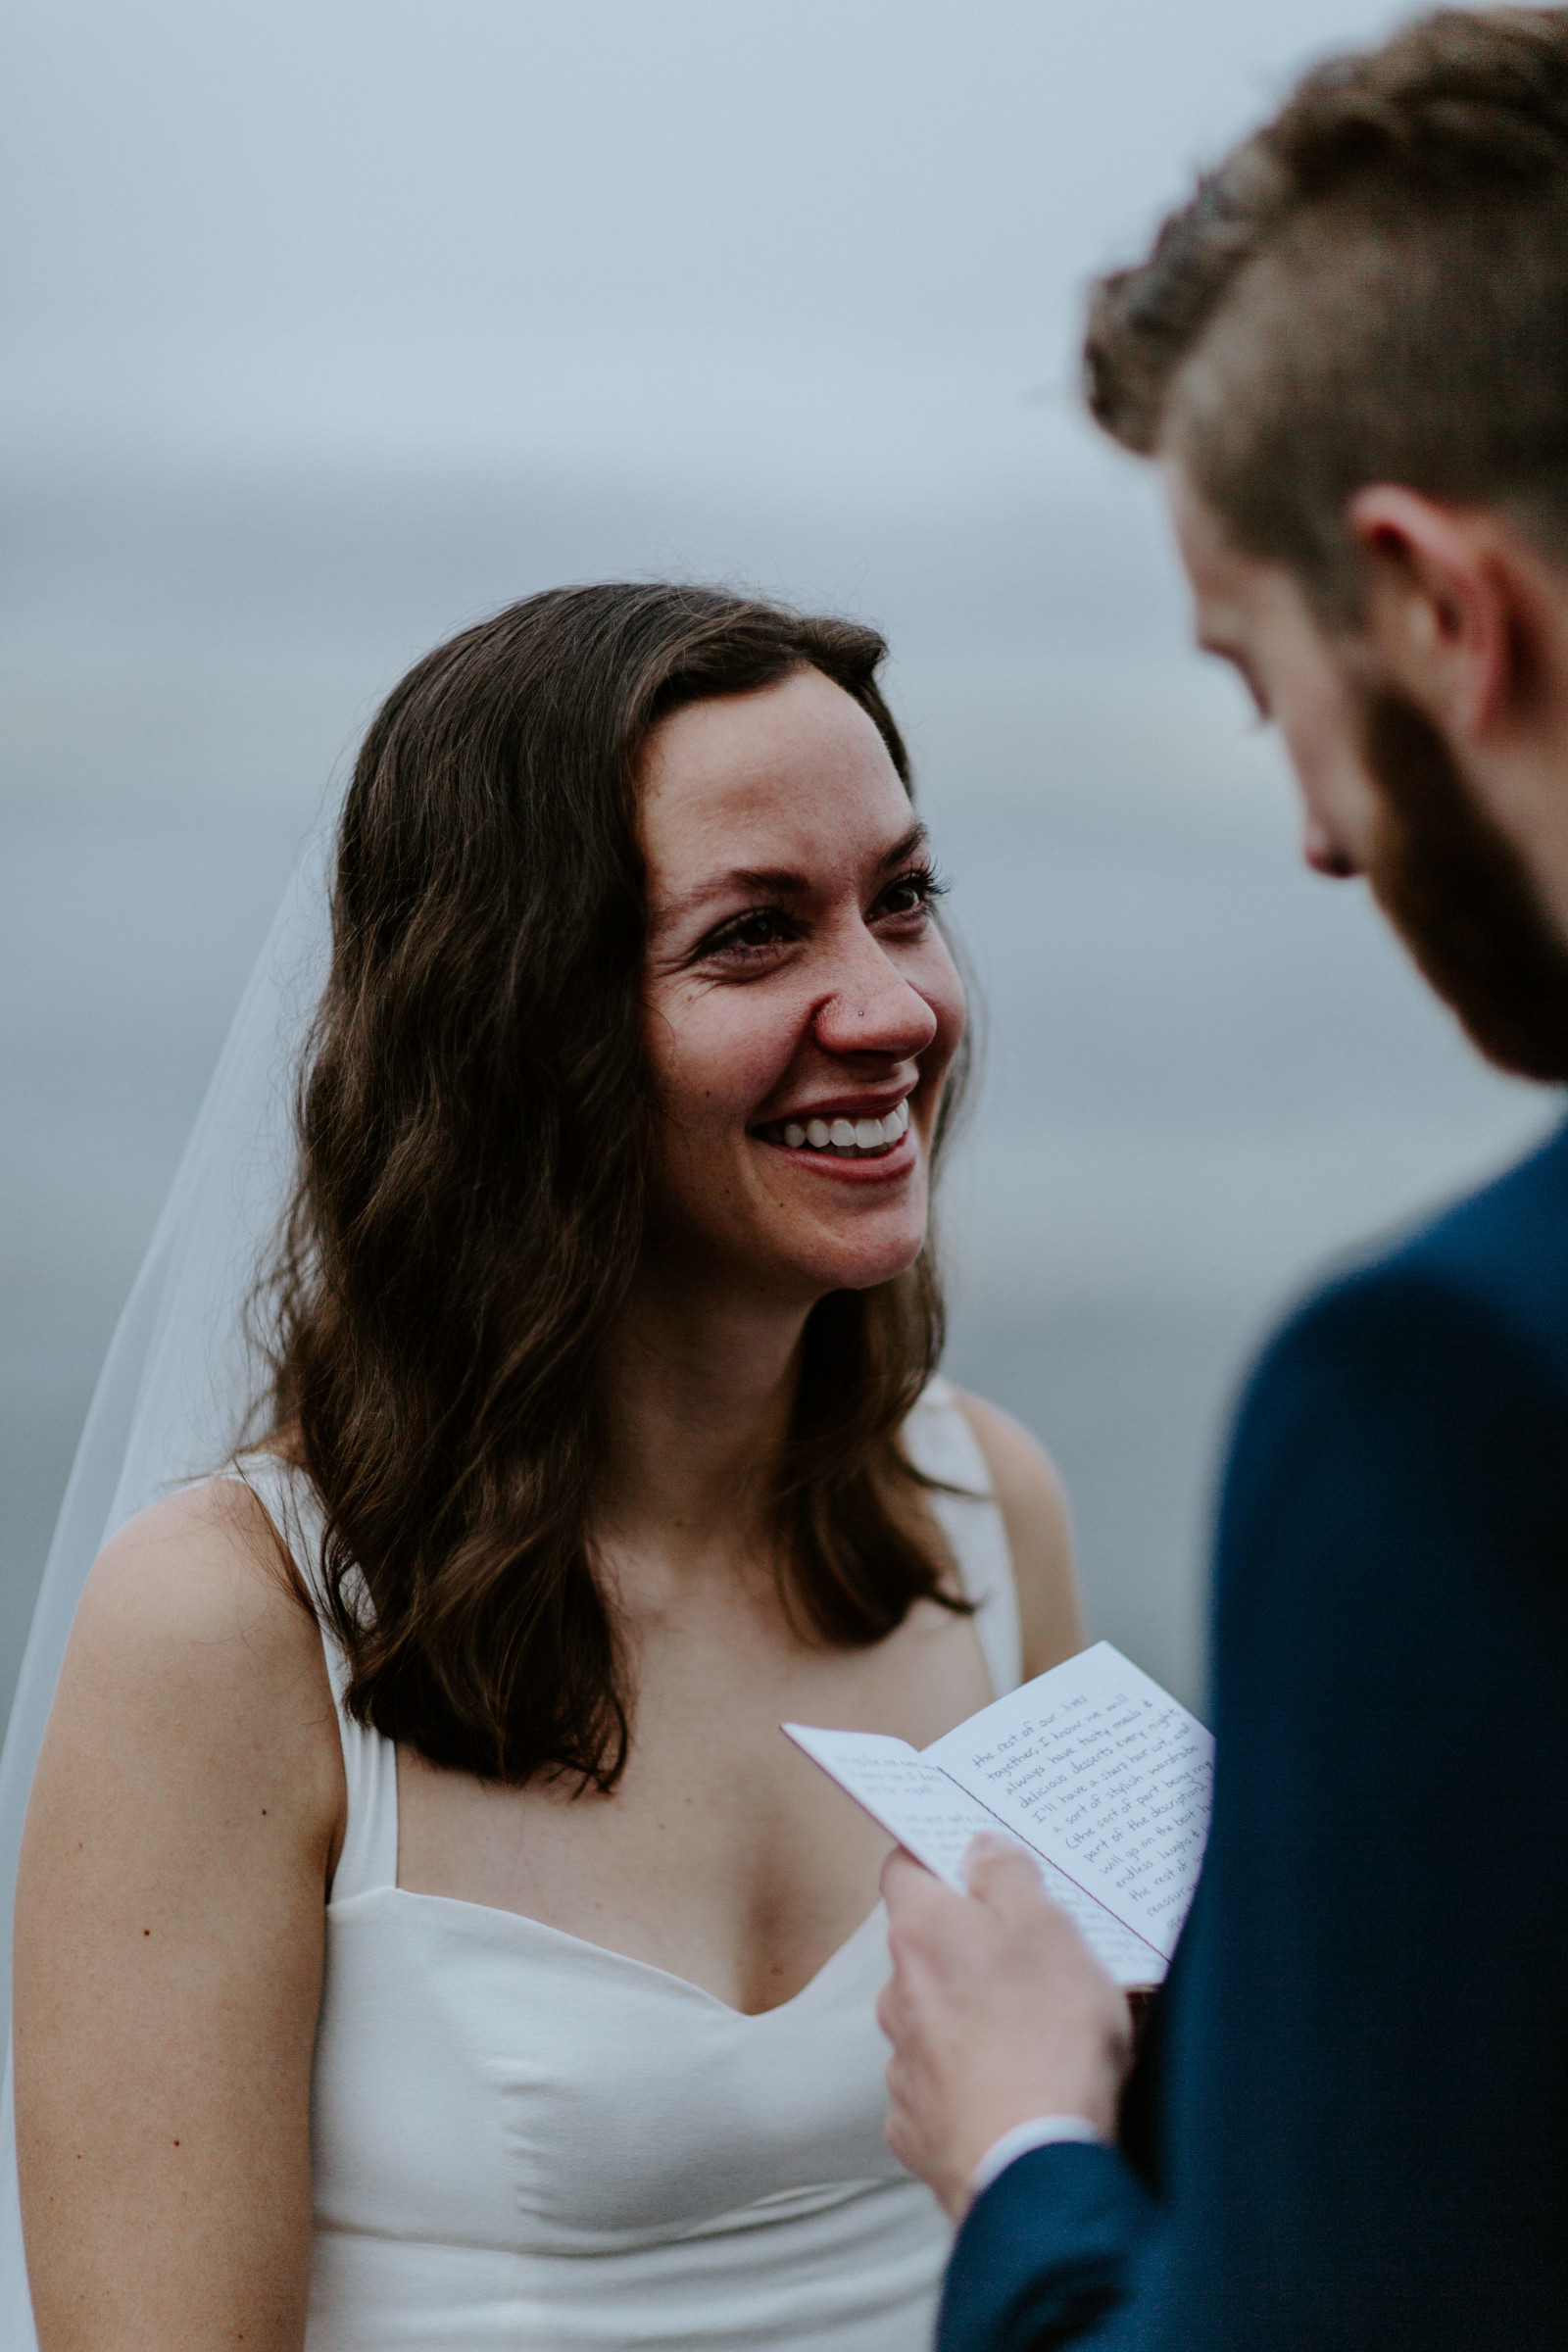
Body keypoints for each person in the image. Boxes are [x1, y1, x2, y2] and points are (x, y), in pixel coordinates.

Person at [4, 585, 1087, 2350]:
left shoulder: (986, 1513)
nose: (890, 1009)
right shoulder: (230, 1630)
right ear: (518, 1030)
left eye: (903, 899)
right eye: (756, 937)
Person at [877, 11, 1568, 2348]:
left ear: (1434, 609)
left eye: (1261, 681)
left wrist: (1029, 2158)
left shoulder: (1448, 1396)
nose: (1307, 828)